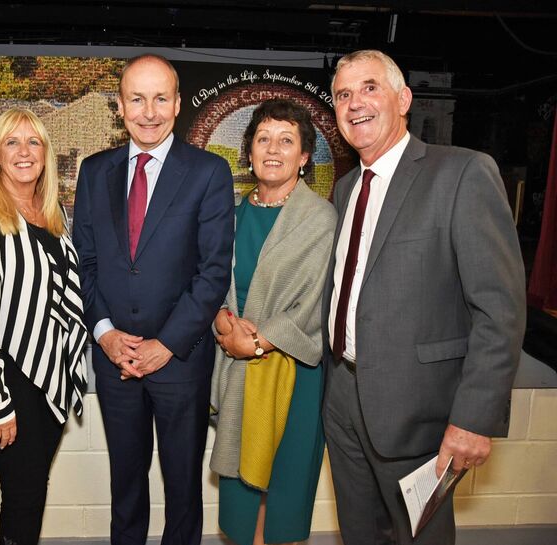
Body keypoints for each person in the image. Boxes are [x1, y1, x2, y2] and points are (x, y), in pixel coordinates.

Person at [322, 50, 526, 545]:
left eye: (370, 88)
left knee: (421, 538)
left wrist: (473, 418)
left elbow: (499, 308)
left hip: (418, 407)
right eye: (343, 95)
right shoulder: (346, 188)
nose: (355, 104)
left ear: (404, 98)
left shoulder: (461, 174)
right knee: (359, 533)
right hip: (343, 396)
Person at [72, 54, 234, 545]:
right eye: (137, 99)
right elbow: (85, 264)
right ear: (119, 106)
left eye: (160, 98)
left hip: (179, 360)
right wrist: (104, 334)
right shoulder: (94, 171)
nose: (149, 111)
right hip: (114, 359)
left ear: (178, 104)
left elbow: (212, 272)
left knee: (183, 488)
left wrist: (166, 343)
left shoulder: (209, 172)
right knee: (126, 484)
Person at [0, 107, 88, 545]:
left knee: (30, 493)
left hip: (48, 378)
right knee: (23, 493)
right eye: (12, 142)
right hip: (9, 379)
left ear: (46, 155)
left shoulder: (54, 217)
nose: (24, 152)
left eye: (34, 142)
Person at [210, 99, 336, 545]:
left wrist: (259, 342)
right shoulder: (230, 215)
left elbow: (315, 301)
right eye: (263, 139)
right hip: (237, 367)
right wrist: (222, 322)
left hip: (295, 373)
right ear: (249, 152)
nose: (273, 149)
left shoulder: (320, 218)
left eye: (287, 141)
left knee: (283, 483)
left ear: (305, 158)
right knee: (243, 488)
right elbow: (213, 284)